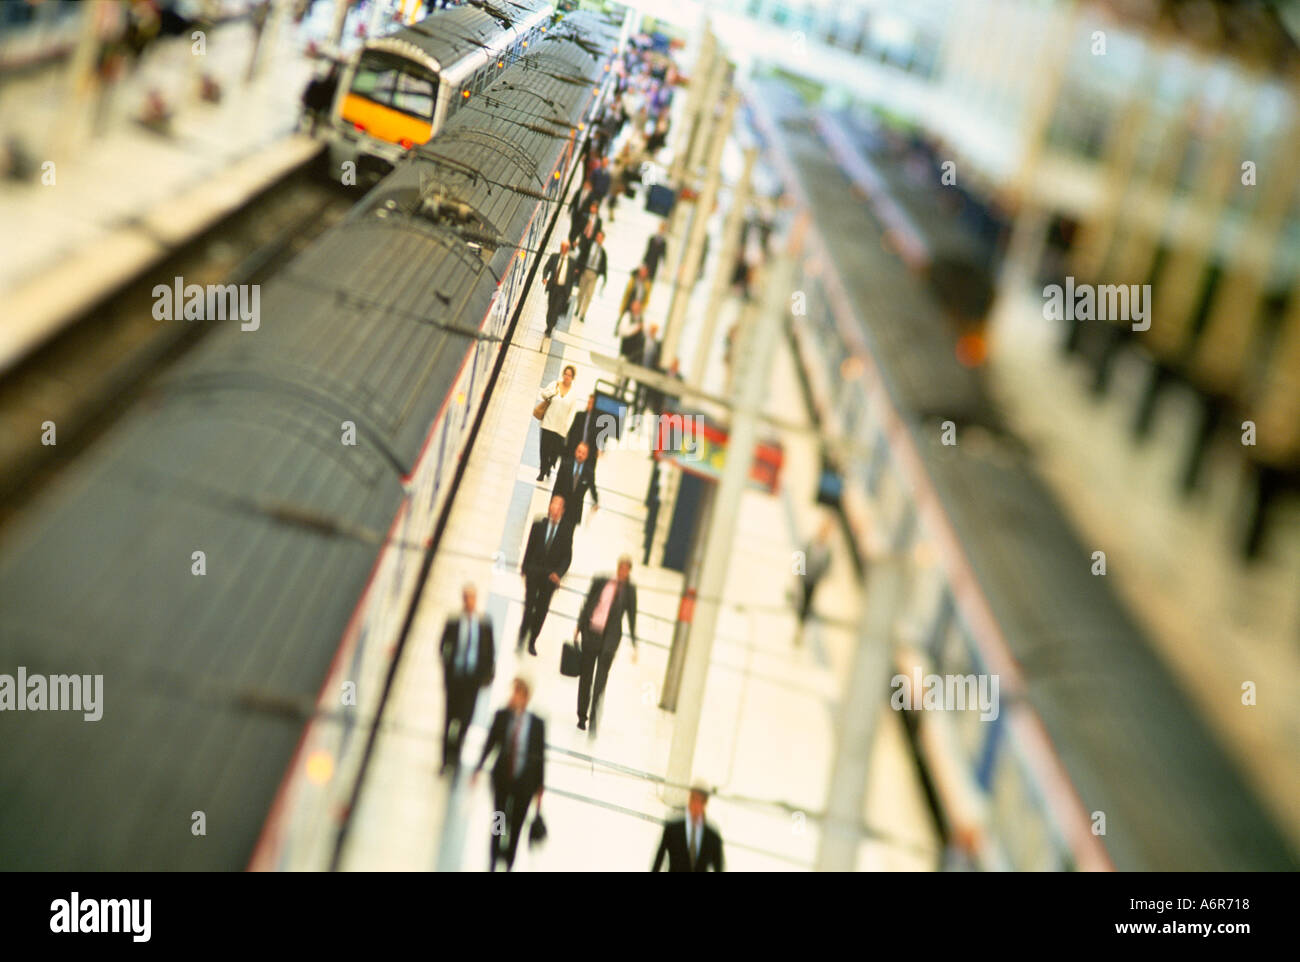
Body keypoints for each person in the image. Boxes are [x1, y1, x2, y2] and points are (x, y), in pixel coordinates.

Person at [473, 677, 546, 872]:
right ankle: (493, 858)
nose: (513, 697)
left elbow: (539, 757)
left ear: (525, 697)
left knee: (515, 827)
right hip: (502, 780)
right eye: (512, 692)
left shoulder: (537, 725)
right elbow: (491, 743)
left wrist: (539, 788)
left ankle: (508, 863)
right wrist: (478, 768)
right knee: (499, 820)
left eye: (517, 693)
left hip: (524, 784)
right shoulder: (502, 715)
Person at [575, 555, 638, 735]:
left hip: (609, 641)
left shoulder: (629, 591)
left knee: (600, 681)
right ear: (618, 567)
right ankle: (581, 716)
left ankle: (594, 717)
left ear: (629, 571)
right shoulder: (602, 580)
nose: (623, 572)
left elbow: (632, 616)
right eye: (621, 568)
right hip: (592, 632)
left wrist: (634, 642)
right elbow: (588, 603)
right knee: (586, 676)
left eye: (626, 569)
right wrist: (580, 625)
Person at [438, 583, 496, 775]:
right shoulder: (454, 622)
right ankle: (446, 758)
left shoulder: (484, 624)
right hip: (455, 678)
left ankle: (456, 753)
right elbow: (442, 647)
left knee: (466, 719)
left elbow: (490, 654)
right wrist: (448, 668)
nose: (470, 602)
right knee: (449, 719)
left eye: (473, 598)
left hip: (472, 681)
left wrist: (486, 676)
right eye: (467, 598)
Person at [518, 496, 573, 655]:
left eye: (558, 507)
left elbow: (567, 557)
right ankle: (522, 634)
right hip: (534, 574)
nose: (554, 510)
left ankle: (532, 640)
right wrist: (524, 569)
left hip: (550, 579)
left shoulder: (566, 531)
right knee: (529, 607)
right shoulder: (538, 525)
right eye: (553, 506)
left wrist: (559, 574)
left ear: (562, 511)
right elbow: (530, 547)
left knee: (541, 610)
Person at [652, 785, 724, 872]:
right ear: (689, 800)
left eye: (699, 801)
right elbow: (658, 860)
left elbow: (719, 868)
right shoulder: (673, 829)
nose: (695, 806)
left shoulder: (712, 837)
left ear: (705, 804)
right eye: (693, 799)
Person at [536, 364, 577, 480]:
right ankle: (542, 471)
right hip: (548, 423)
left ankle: (549, 465)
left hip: (560, 428)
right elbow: (543, 394)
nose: (567, 377)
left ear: (573, 377)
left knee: (554, 452)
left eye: (569, 375)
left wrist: (567, 427)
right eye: (565, 374)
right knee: (544, 449)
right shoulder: (555, 384)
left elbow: (572, 412)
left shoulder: (573, 394)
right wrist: (552, 392)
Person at [796, 519, 834, 639]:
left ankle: (802, 623)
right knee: (801, 597)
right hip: (805, 577)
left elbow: (827, 567)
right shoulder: (811, 544)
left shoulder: (827, 551)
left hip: (814, 580)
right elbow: (800, 556)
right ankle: (800, 617)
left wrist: (822, 577)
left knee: (808, 601)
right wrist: (798, 573)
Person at [551, 442, 598, 527]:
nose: (580, 455)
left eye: (583, 453)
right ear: (575, 451)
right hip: (561, 505)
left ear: (587, 455)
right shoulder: (565, 465)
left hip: (575, 509)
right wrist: (553, 502)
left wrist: (595, 500)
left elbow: (592, 487)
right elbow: (557, 485)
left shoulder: (589, 472)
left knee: (569, 533)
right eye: (579, 451)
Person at [542, 242, 577, 337]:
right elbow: (547, 267)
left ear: (568, 249)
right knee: (550, 307)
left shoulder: (572, 262)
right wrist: (545, 277)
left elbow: (573, 278)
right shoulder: (554, 257)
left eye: (565, 247)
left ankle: (550, 327)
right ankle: (549, 323)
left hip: (563, 290)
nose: (563, 249)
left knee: (556, 308)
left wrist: (570, 291)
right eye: (562, 247)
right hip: (553, 287)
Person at [574, 230, 608, 325]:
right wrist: (577, 267)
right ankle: (578, 307)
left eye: (601, 237)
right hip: (585, 271)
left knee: (589, 294)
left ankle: (583, 314)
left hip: (594, 275)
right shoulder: (589, 246)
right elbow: (582, 256)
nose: (599, 239)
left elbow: (604, 266)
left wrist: (604, 279)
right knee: (581, 292)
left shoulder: (603, 252)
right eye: (598, 236)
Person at [617, 303, 646, 402]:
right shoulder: (628, 317)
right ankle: (617, 392)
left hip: (635, 355)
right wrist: (636, 328)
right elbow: (623, 332)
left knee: (628, 376)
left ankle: (622, 393)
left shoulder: (640, 319)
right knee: (620, 375)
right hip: (626, 352)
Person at [636, 324, 662, 419]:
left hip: (649, 371)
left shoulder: (657, 344)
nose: (653, 332)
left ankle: (640, 414)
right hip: (640, 369)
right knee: (638, 392)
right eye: (652, 330)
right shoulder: (643, 340)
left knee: (645, 394)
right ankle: (635, 411)